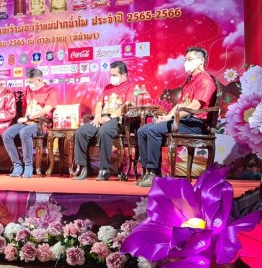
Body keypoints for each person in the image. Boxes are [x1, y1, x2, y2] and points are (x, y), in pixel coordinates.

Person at [136, 47, 217, 187]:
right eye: (186, 60)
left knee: (153, 130)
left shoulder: (205, 81)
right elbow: (179, 105)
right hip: (183, 121)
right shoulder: (190, 81)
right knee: (142, 130)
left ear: (201, 61)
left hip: (196, 123)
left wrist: (173, 117)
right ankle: (147, 171)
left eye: (190, 59)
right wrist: (167, 117)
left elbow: (194, 107)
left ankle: (154, 173)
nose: (186, 63)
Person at [73, 60, 136, 181]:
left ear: (124, 75)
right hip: (102, 117)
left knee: (104, 131)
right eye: (111, 75)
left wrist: (110, 117)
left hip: (117, 119)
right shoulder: (108, 87)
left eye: (114, 75)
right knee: (80, 132)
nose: (112, 77)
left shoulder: (130, 86)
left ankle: (104, 169)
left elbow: (128, 105)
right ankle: (84, 168)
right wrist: (97, 116)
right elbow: (99, 104)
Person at [3, 69, 57, 178]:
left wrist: (27, 118)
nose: (29, 84)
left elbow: (46, 110)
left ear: (39, 80)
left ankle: (28, 165)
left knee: (24, 132)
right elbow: (25, 107)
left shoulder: (51, 91)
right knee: (6, 134)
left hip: (41, 124)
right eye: (28, 81)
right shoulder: (29, 89)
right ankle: (17, 165)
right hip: (27, 121)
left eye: (31, 82)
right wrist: (25, 118)